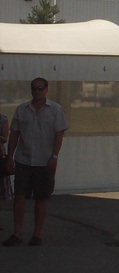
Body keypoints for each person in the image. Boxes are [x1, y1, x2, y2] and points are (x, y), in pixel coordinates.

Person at [4, 77, 68, 247]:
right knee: (19, 196)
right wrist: (10, 156)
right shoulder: (22, 109)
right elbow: (15, 134)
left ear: (46, 89)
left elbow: (59, 135)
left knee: (41, 198)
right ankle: (17, 233)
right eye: (34, 88)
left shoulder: (55, 110)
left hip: (44, 160)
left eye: (40, 88)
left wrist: (54, 157)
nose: (36, 91)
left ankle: (36, 234)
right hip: (24, 159)